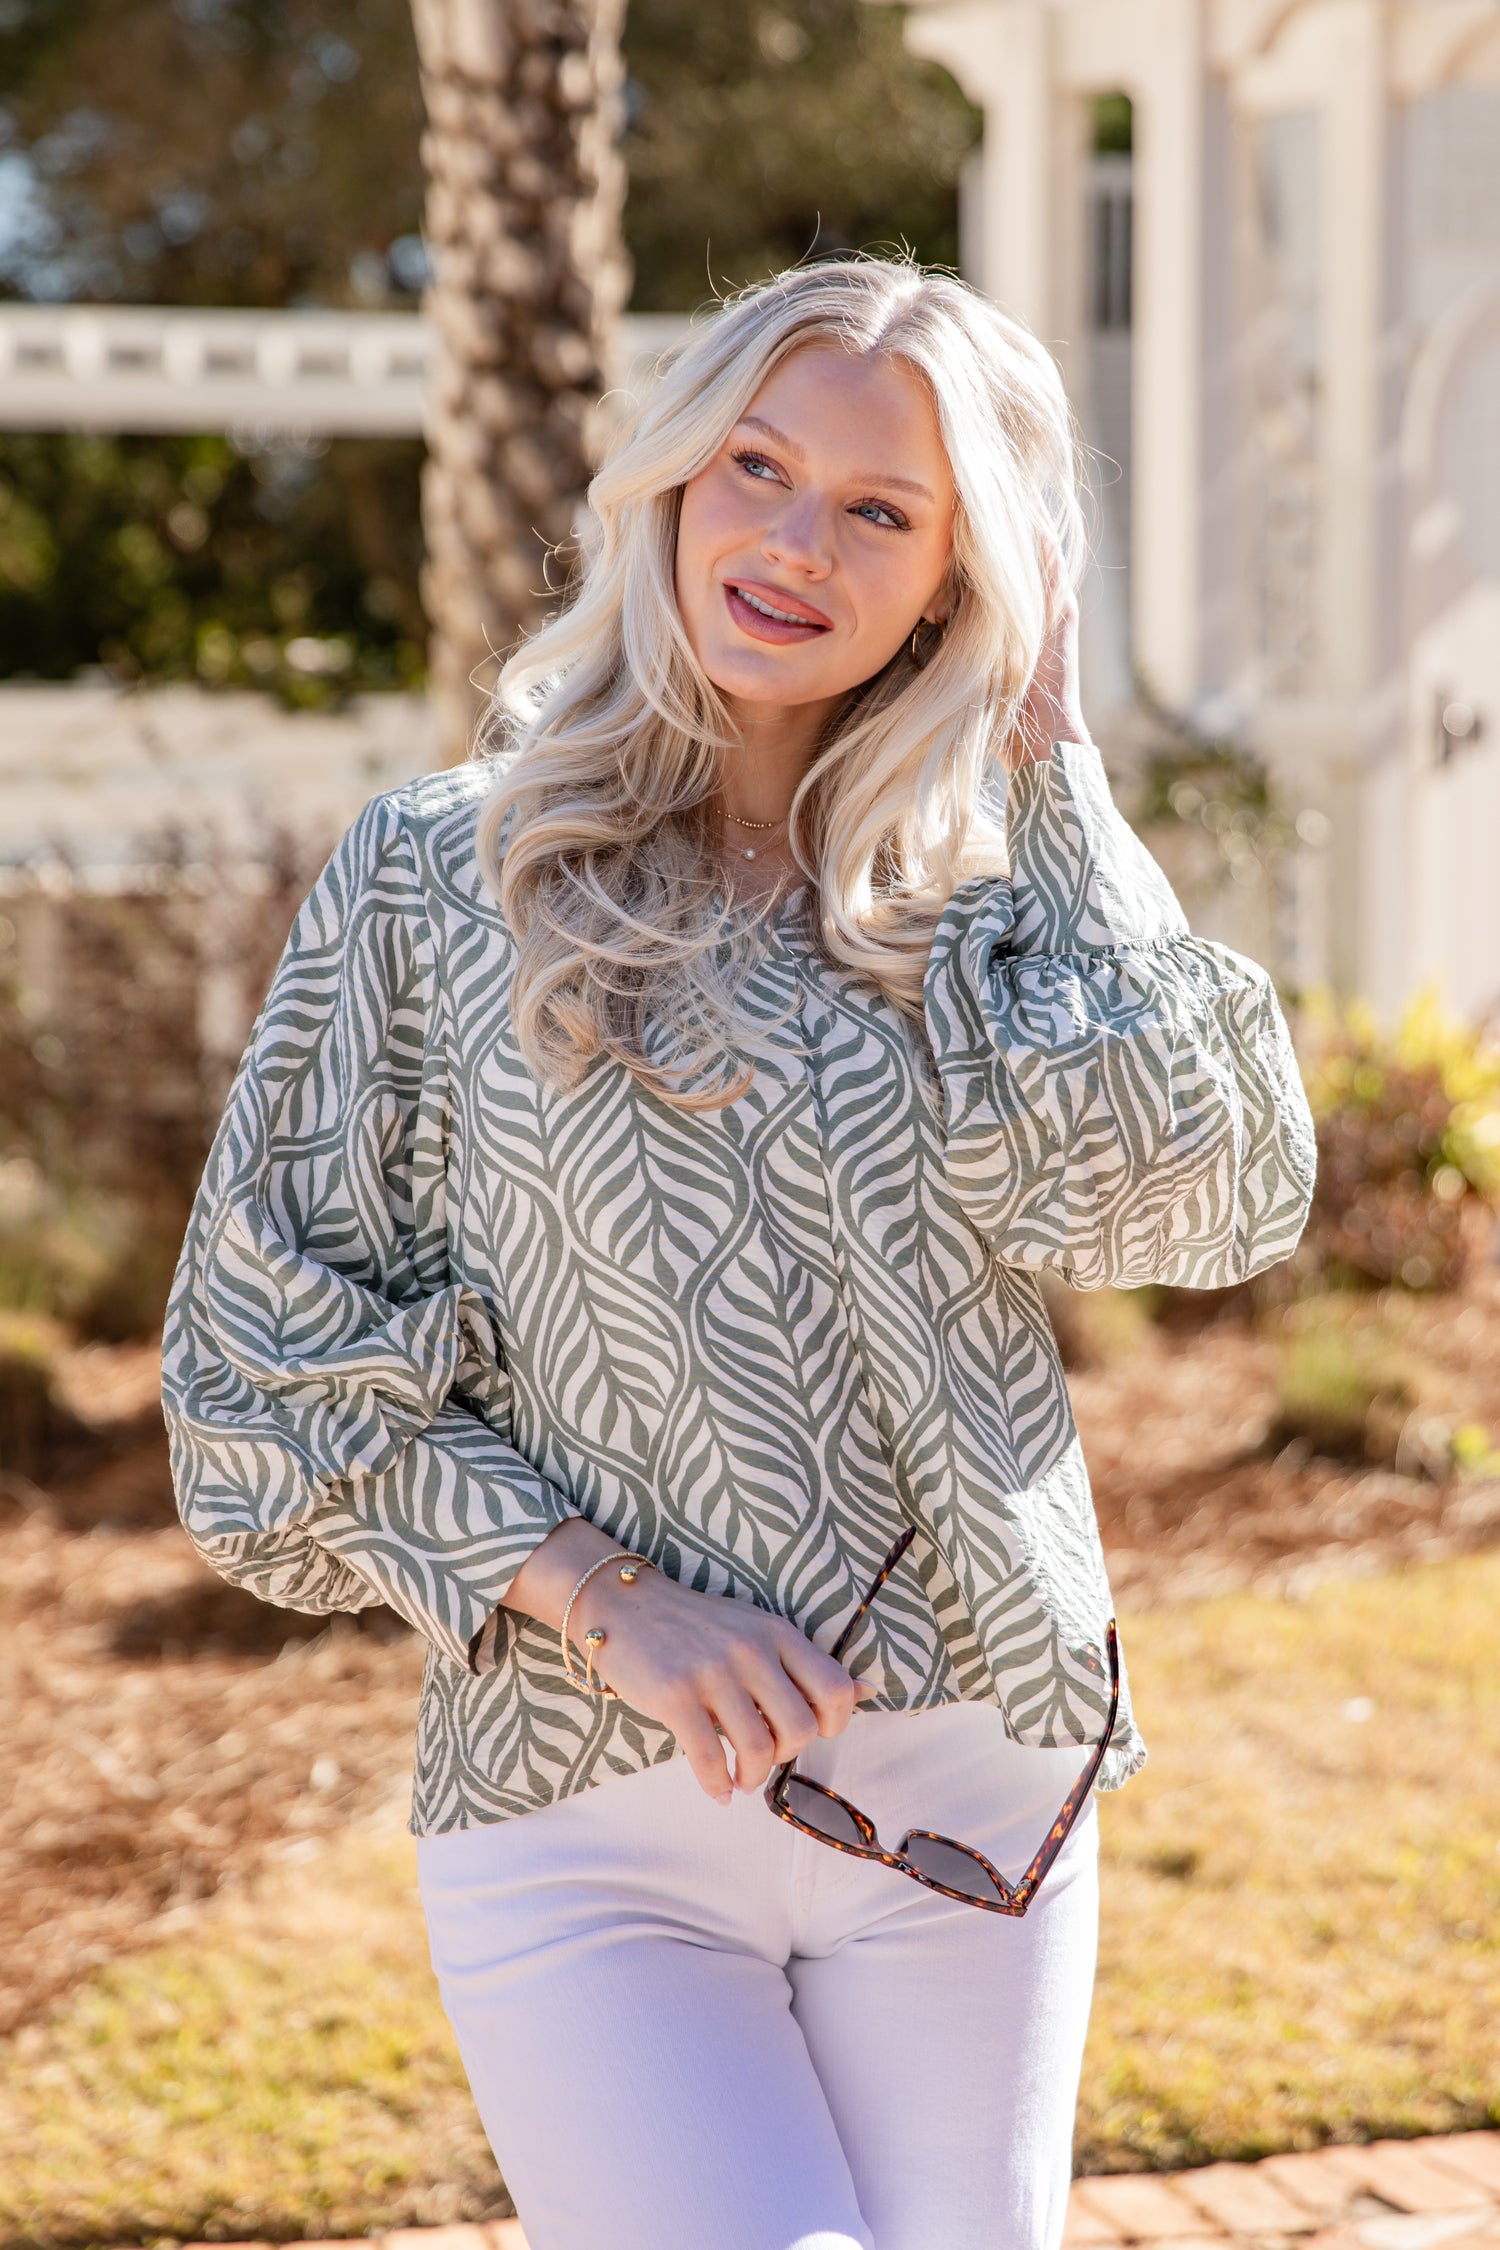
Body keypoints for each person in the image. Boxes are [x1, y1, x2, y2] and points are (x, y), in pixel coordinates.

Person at [161, 258, 1316, 2250]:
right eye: (757, 468)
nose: (794, 543)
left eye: (882, 509)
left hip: (967, 1789)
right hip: (584, 1804)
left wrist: (1060, 777)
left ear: (962, 578)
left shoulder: (980, 904)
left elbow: (1207, 1194)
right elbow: (256, 1364)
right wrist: (609, 1598)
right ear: (676, 483)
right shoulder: (446, 875)